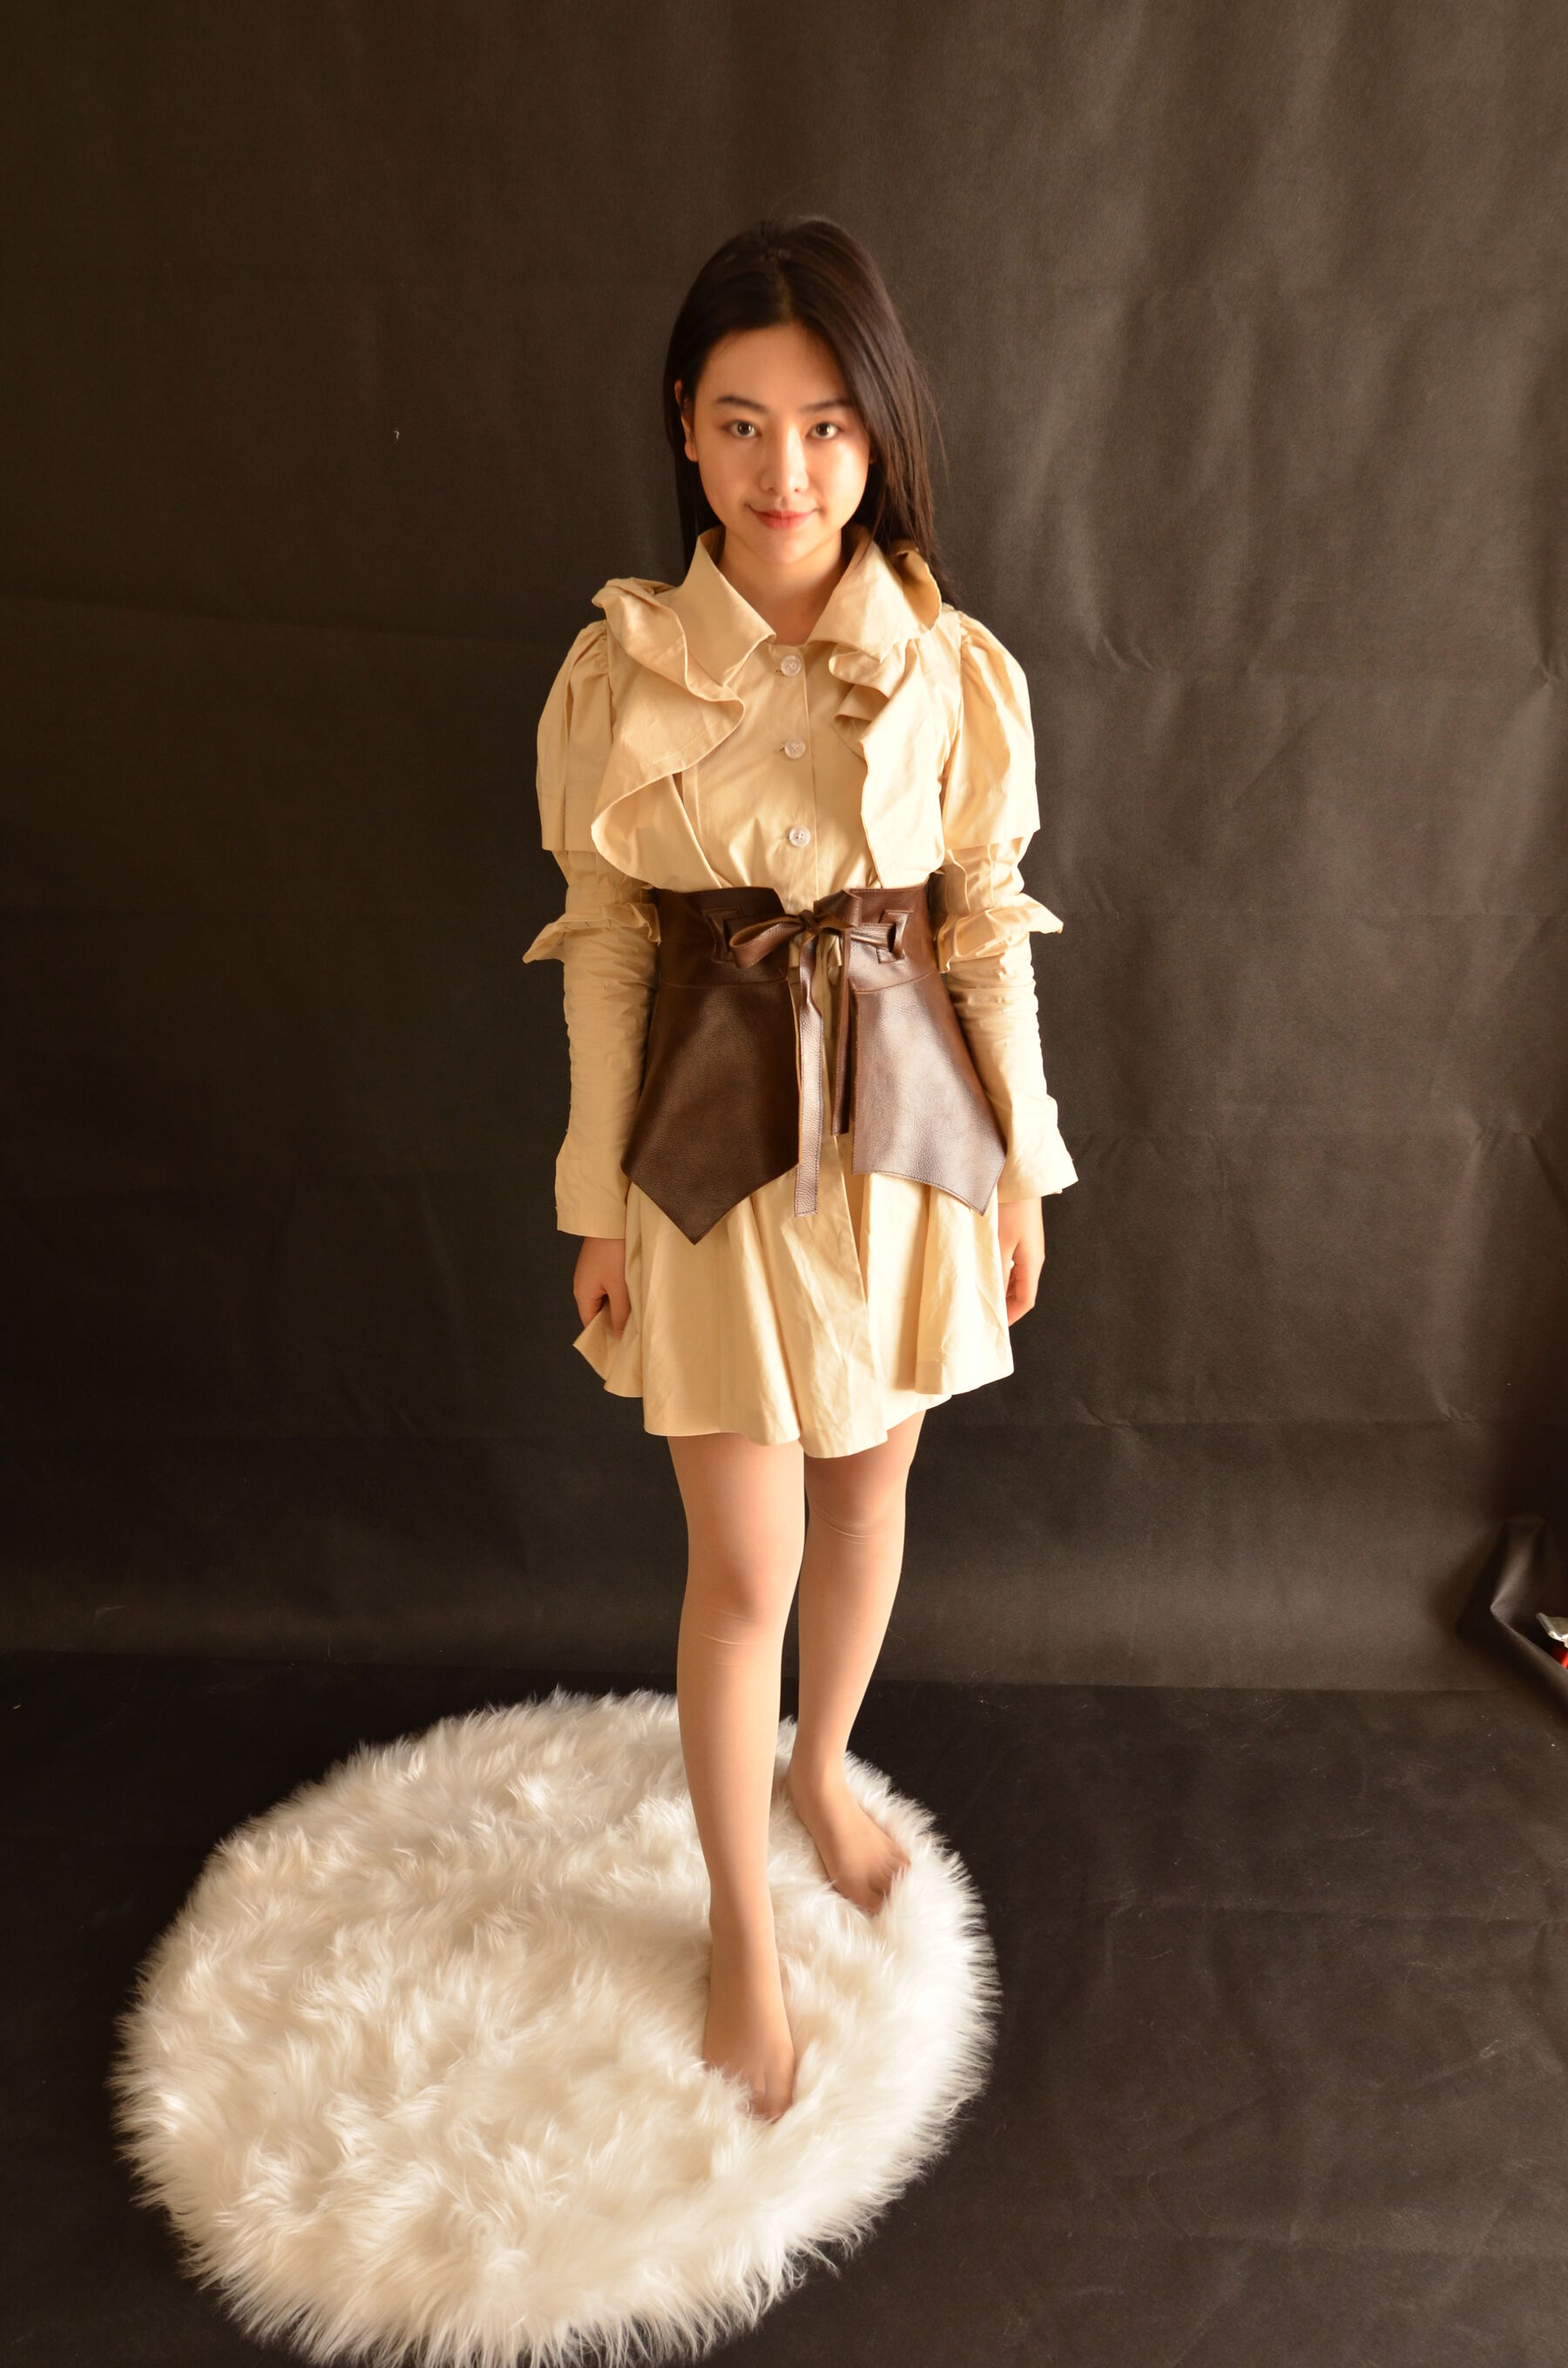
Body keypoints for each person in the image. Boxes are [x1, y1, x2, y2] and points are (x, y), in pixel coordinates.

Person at [523, 216, 1078, 2122]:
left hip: (908, 1141)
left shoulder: (951, 667)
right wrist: (596, 1200)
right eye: (746, 424)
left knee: (870, 1494)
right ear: (686, 424)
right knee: (743, 1558)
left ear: (878, 433)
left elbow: (986, 927)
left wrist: (1021, 1171)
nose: (787, 472)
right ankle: (742, 1926)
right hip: (711, 1156)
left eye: (829, 427)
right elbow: (605, 946)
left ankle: (820, 1766)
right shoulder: (617, 676)